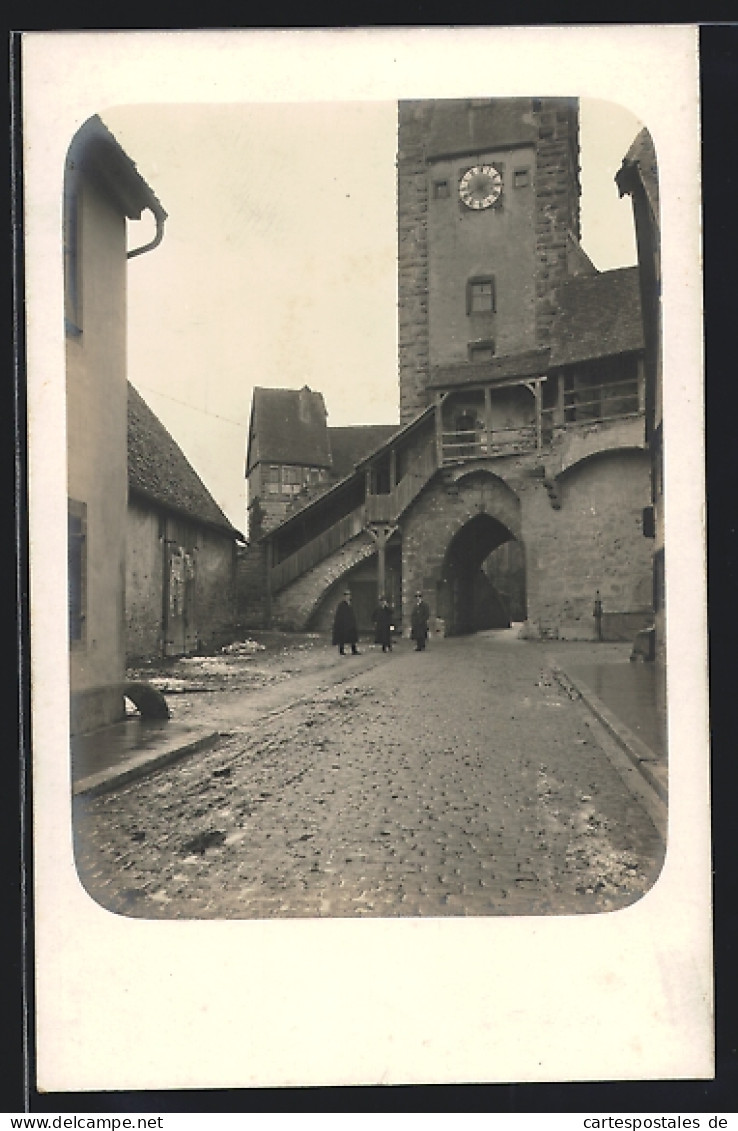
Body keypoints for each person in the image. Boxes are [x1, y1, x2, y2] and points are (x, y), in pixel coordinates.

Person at [332, 588, 360, 655]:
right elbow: (339, 615)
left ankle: (354, 650)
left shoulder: (350, 604)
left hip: (350, 623)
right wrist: (340, 623)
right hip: (344, 624)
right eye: (347, 595)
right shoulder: (341, 605)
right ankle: (341, 650)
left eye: (349, 595)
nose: (348, 596)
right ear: (344, 596)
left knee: (352, 637)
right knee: (342, 637)